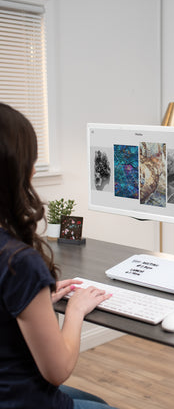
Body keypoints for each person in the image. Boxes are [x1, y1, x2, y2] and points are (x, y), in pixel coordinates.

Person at [0, 102, 118, 409]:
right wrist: (76, 310)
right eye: (31, 161)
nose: (35, 169)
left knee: (93, 400)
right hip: (22, 401)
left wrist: (35, 304)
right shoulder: (18, 261)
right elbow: (57, 371)